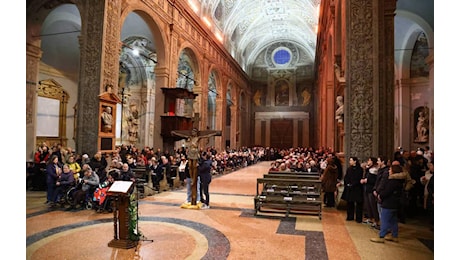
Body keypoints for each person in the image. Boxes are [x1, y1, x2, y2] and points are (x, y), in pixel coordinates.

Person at [171, 128, 221, 205]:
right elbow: (182, 134)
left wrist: (214, 133)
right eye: (192, 132)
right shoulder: (190, 138)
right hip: (190, 153)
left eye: (194, 132)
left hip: (195, 153)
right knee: (190, 166)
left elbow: (207, 135)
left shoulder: (198, 138)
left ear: (197, 133)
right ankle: (191, 177)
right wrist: (175, 132)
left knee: (194, 167)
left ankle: (194, 180)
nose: (193, 133)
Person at [370, 164, 405, 243]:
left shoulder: (392, 181)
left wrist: (380, 195)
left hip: (389, 203)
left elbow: (387, 191)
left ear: (393, 171)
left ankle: (381, 236)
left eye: (390, 170)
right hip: (395, 203)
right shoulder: (400, 180)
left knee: (384, 219)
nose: (389, 171)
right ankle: (394, 235)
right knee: (393, 220)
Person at [343, 156, 364, 223]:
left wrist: (353, 184)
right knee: (350, 203)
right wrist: (347, 183)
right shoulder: (349, 169)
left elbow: (359, 178)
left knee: (358, 204)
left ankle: (358, 218)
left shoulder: (360, 169)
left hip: (357, 188)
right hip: (350, 188)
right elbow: (346, 177)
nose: (350, 162)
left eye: (351, 160)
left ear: (355, 161)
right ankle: (350, 216)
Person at [360, 157, 379, 226]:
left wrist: (366, 180)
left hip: (371, 189)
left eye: (369, 160)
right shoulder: (368, 169)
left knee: (373, 205)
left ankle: (376, 220)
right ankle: (370, 218)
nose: (368, 161)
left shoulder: (375, 170)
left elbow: (374, 180)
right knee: (367, 205)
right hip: (366, 188)